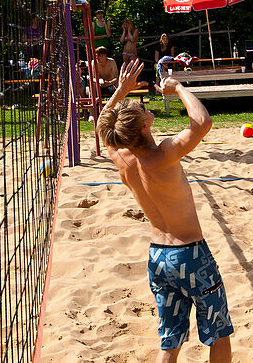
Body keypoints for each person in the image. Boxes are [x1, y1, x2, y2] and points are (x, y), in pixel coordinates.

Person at [96, 59, 234, 361]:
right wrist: (179, 88)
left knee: (170, 340)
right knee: (218, 332)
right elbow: (202, 122)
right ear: (145, 125)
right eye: (142, 108)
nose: (146, 107)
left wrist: (120, 90)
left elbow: (100, 127)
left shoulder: (124, 161)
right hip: (191, 254)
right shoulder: (165, 154)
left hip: (158, 257)